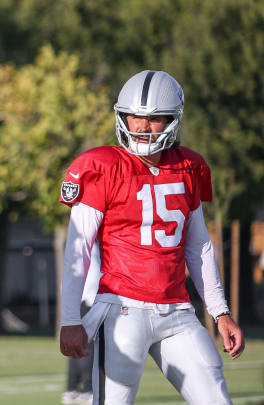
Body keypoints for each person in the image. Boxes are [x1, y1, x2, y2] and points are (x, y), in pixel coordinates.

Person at [58, 70, 244, 404]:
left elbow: (198, 246)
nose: (142, 126)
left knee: (216, 399)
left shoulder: (189, 166)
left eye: (155, 118)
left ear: (173, 120)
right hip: (121, 310)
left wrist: (220, 312)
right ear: (122, 116)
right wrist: (71, 319)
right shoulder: (101, 165)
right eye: (135, 116)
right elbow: (78, 249)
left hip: (177, 312)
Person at [61, 243, 101, 405]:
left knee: (76, 346)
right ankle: (87, 389)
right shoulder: (87, 243)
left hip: (79, 299)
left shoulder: (78, 243)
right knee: (87, 347)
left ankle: (72, 389)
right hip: (87, 299)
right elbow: (91, 274)